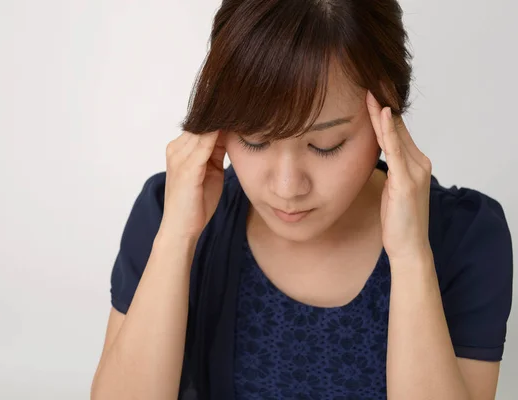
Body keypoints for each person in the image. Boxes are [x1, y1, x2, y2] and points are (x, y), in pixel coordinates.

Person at [91, 1, 513, 399]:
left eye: (326, 145)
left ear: (386, 113)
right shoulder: (170, 212)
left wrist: (410, 258)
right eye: (255, 140)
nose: (288, 186)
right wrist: (176, 241)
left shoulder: (467, 240)